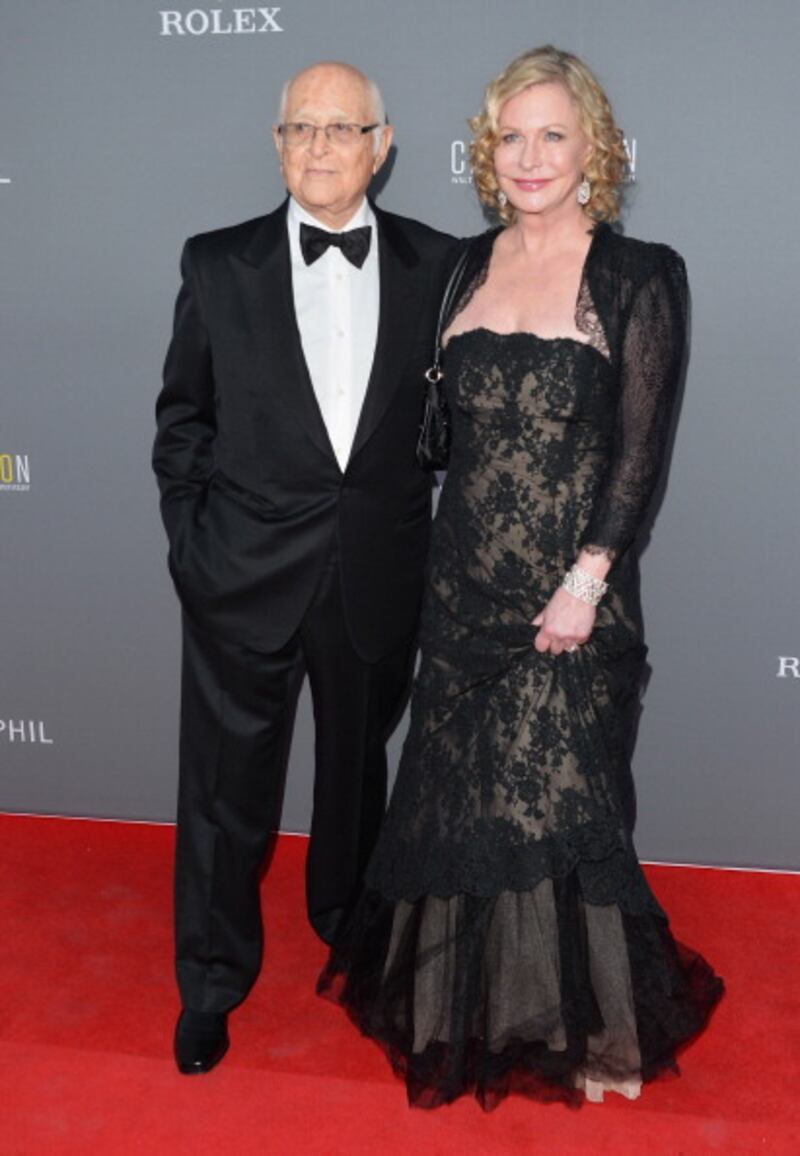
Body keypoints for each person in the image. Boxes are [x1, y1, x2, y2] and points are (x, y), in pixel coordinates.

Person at [318, 45, 724, 1108]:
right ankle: (477, 1008)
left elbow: (640, 450)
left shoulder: (637, 275)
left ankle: (586, 1021)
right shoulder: (462, 266)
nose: (530, 156)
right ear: (485, 151)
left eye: (553, 135)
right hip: (461, 585)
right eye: (510, 136)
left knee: (561, 803)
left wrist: (587, 580)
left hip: (568, 596)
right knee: (464, 804)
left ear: (594, 150)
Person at [153, 61, 455, 1075]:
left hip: (375, 569)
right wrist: (195, 547)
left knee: (355, 778)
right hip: (240, 573)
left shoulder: (438, 264)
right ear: (276, 143)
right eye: (299, 128)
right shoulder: (216, 263)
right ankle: (209, 984)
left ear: (382, 144)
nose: (318, 147)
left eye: (341, 127)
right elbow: (182, 421)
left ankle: (350, 935)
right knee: (222, 792)